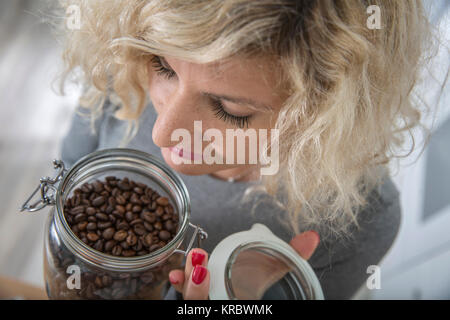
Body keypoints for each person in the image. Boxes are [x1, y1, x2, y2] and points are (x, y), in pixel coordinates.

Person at [57, 0, 431, 299]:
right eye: (165, 68)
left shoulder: (363, 222)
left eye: (230, 109)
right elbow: (69, 176)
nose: (162, 133)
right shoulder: (127, 71)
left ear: (325, 115)